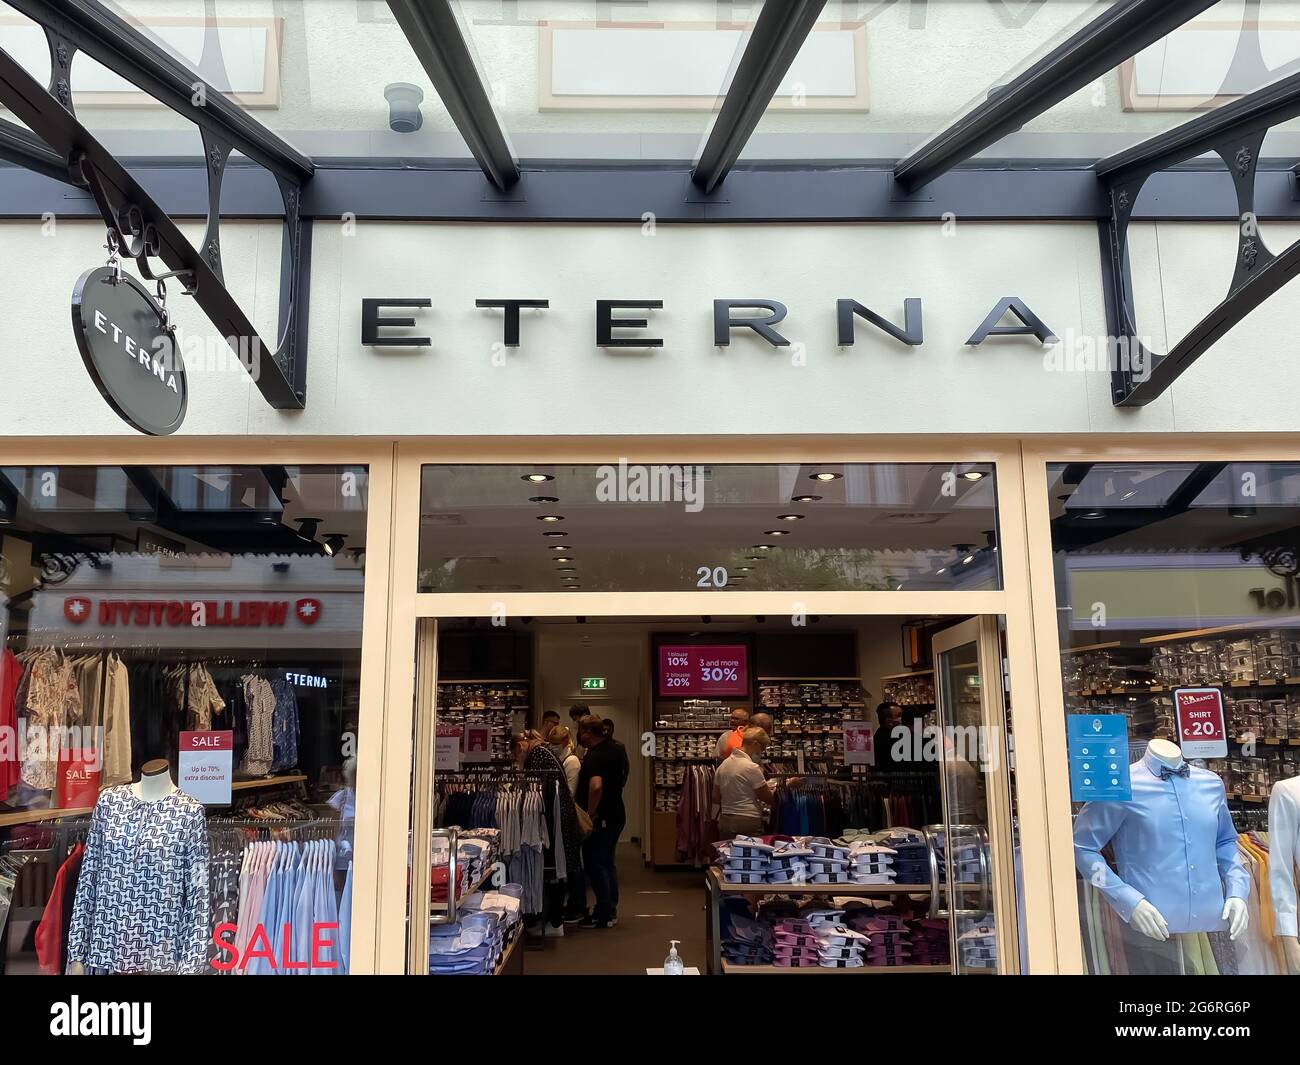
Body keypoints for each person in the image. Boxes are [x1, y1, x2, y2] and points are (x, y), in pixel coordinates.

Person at [512, 730, 581, 938]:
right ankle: (553, 920)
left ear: (519, 747)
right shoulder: (544, 753)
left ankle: (553, 921)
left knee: (554, 869)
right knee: (557, 870)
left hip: (554, 821)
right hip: (559, 819)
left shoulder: (537, 757)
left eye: (516, 756)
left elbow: (537, 796)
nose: (518, 761)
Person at [576, 715, 626, 929]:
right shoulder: (616, 749)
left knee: (596, 863)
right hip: (616, 812)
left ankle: (603, 913)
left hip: (602, 817)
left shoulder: (595, 757)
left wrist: (589, 813)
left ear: (588, 733)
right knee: (606, 862)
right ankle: (609, 909)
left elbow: (596, 786)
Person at [714, 727, 775, 838]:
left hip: (725, 820)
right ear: (755, 744)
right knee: (751, 853)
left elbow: (716, 797)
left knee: (728, 853)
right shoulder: (751, 767)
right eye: (761, 749)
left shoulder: (723, 766)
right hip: (748, 820)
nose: (760, 753)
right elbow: (767, 798)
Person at [546, 726, 581, 797]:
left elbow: (570, 792)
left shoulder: (572, 761)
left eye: (556, 744)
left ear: (565, 741)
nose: (552, 747)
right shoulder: (558, 757)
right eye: (551, 744)